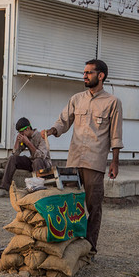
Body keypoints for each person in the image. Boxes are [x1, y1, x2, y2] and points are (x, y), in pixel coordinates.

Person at [42, 59, 123, 254]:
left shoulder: (113, 102)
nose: (84, 76)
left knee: (93, 207)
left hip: (94, 163)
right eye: (84, 73)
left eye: (89, 73)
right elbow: (64, 121)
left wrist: (114, 162)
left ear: (101, 75)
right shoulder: (76, 99)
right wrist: (53, 130)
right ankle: (70, 246)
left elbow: (116, 134)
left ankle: (90, 248)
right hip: (74, 161)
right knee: (69, 205)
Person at [0, 117, 52, 197]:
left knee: (37, 160)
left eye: (22, 132)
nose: (21, 134)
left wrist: (28, 143)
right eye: (19, 133)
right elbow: (15, 154)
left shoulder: (39, 136)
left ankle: (38, 190)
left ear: (27, 129)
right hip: (33, 162)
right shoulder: (25, 137)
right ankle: (4, 188)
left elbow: (42, 156)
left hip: (44, 164)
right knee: (12, 159)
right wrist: (17, 141)